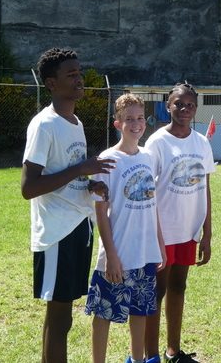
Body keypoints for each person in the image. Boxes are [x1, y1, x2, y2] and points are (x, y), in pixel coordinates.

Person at [20, 47, 115, 363]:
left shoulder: (75, 122)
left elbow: (68, 174)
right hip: (57, 232)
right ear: (51, 83)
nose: (79, 79)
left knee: (63, 318)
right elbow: (29, 187)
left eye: (80, 73)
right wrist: (80, 169)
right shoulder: (44, 125)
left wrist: (89, 184)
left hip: (79, 226)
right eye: (71, 74)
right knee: (59, 318)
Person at [85, 94, 167, 363]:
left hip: (145, 251)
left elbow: (153, 203)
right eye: (129, 119)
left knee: (140, 311)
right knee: (104, 313)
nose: (136, 124)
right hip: (117, 253)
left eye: (140, 118)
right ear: (117, 123)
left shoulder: (149, 156)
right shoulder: (107, 160)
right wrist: (111, 255)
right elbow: (101, 212)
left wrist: (160, 244)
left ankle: (137, 359)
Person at [144, 82, 215, 363]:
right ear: (168, 105)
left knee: (178, 287)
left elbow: (206, 188)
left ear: (196, 108)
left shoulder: (201, 143)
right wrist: (154, 233)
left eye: (190, 105)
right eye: (178, 104)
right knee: (156, 291)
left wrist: (207, 233)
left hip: (188, 231)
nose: (184, 109)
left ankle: (173, 351)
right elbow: (148, 191)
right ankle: (151, 355)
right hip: (163, 232)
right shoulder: (157, 142)